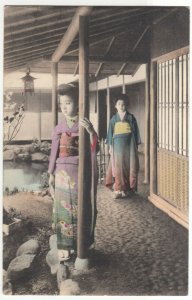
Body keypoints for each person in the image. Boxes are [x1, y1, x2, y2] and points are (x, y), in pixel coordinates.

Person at [48, 82, 98, 262]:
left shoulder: (82, 124)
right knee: (62, 210)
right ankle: (64, 247)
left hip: (77, 171)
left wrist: (91, 131)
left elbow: (94, 147)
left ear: (77, 103)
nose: (64, 107)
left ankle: (79, 245)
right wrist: (51, 173)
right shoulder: (59, 128)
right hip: (61, 171)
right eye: (62, 104)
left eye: (68, 103)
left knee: (78, 207)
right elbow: (54, 151)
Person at [105, 93, 141, 199]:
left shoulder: (131, 117)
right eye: (119, 104)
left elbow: (135, 132)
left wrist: (135, 145)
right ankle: (118, 189)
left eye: (123, 104)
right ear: (115, 106)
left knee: (129, 166)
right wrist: (110, 147)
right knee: (118, 166)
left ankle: (128, 189)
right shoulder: (113, 119)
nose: (121, 106)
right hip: (117, 145)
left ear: (126, 105)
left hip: (129, 144)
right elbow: (110, 133)